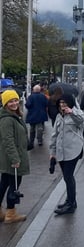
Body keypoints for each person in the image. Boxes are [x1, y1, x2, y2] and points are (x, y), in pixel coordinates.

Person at [49, 93, 84, 215]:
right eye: (60, 103)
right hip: (61, 151)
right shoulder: (59, 116)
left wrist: (71, 112)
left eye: (65, 103)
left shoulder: (76, 112)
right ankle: (70, 200)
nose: (62, 105)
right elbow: (54, 135)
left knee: (68, 177)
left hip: (73, 150)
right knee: (66, 177)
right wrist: (52, 153)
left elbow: (81, 121)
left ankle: (71, 203)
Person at [0, 89, 30, 223]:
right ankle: (10, 214)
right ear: (5, 104)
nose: (14, 103)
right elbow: (8, 140)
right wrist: (15, 158)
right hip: (13, 158)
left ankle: (2, 213)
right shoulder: (7, 119)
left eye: (15, 100)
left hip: (11, 157)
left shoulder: (14, 116)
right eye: (10, 101)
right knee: (14, 185)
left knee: (4, 183)